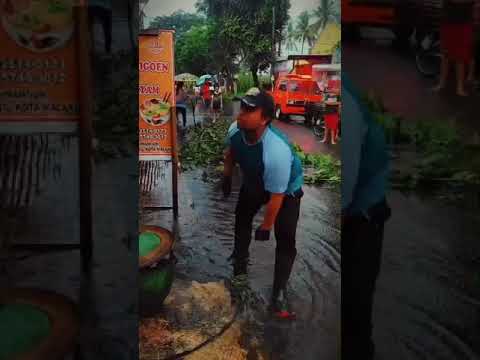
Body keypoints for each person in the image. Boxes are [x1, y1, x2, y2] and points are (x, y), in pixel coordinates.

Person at [222, 87, 304, 319]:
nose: (242, 113)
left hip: (286, 190)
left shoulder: (276, 150)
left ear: (265, 119)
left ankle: (278, 293)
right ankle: (239, 263)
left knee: (285, 238)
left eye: (249, 110)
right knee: (242, 217)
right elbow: (231, 154)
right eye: (242, 107)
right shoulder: (235, 130)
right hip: (255, 181)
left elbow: (276, 196)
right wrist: (227, 177)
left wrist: (266, 226)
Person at [342, 74, 391, 359]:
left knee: (355, 314)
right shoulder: (348, 91)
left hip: (361, 217)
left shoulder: (347, 106)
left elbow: (344, 203)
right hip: (355, 205)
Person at [433, 0, 474, 96]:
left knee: (460, 58)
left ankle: (459, 88)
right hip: (448, 24)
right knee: (445, 56)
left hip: (463, 25)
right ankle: (441, 84)